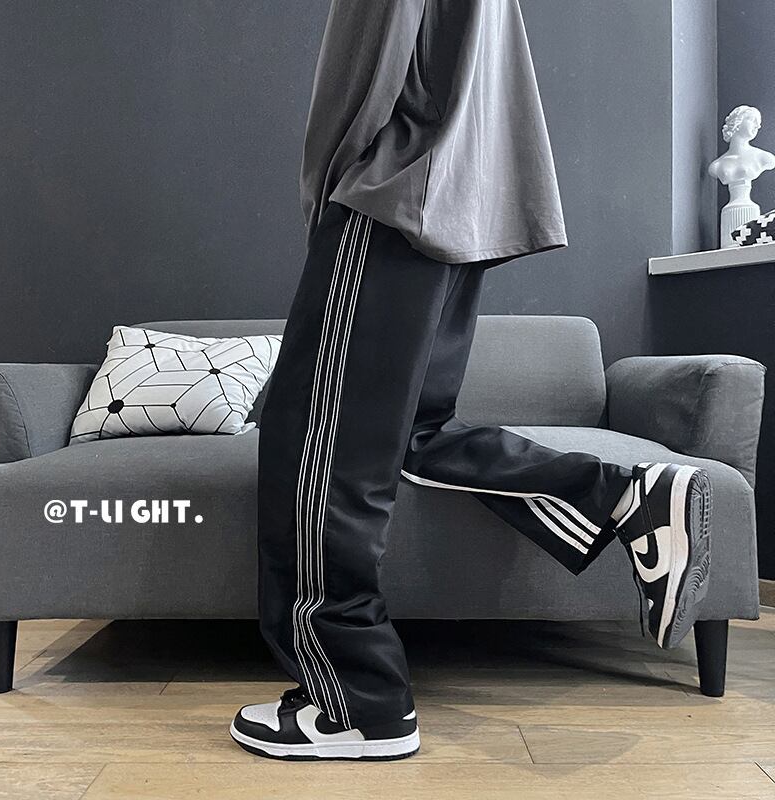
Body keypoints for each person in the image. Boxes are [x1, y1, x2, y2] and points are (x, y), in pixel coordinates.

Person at [229, 0, 712, 761]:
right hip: (459, 198)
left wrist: (331, 194)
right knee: (412, 438)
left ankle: (357, 704)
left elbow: (364, 66)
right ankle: (621, 496)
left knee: (316, 452)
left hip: (388, 197)